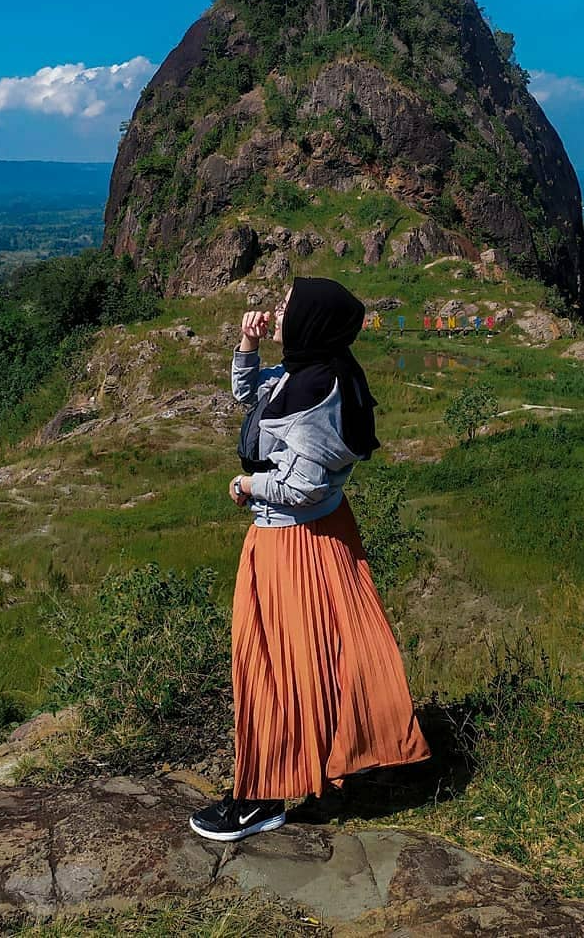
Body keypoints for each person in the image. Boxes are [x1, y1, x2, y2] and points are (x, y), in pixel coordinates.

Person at [188, 277, 431, 843]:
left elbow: (301, 485)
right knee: (317, 657)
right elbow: (253, 398)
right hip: (312, 536)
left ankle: (261, 796)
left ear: (311, 322)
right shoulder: (313, 371)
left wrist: (248, 484)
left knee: (273, 667)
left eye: (287, 306)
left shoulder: (319, 390)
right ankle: (334, 755)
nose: (277, 312)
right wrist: (246, 346)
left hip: (293, 543)